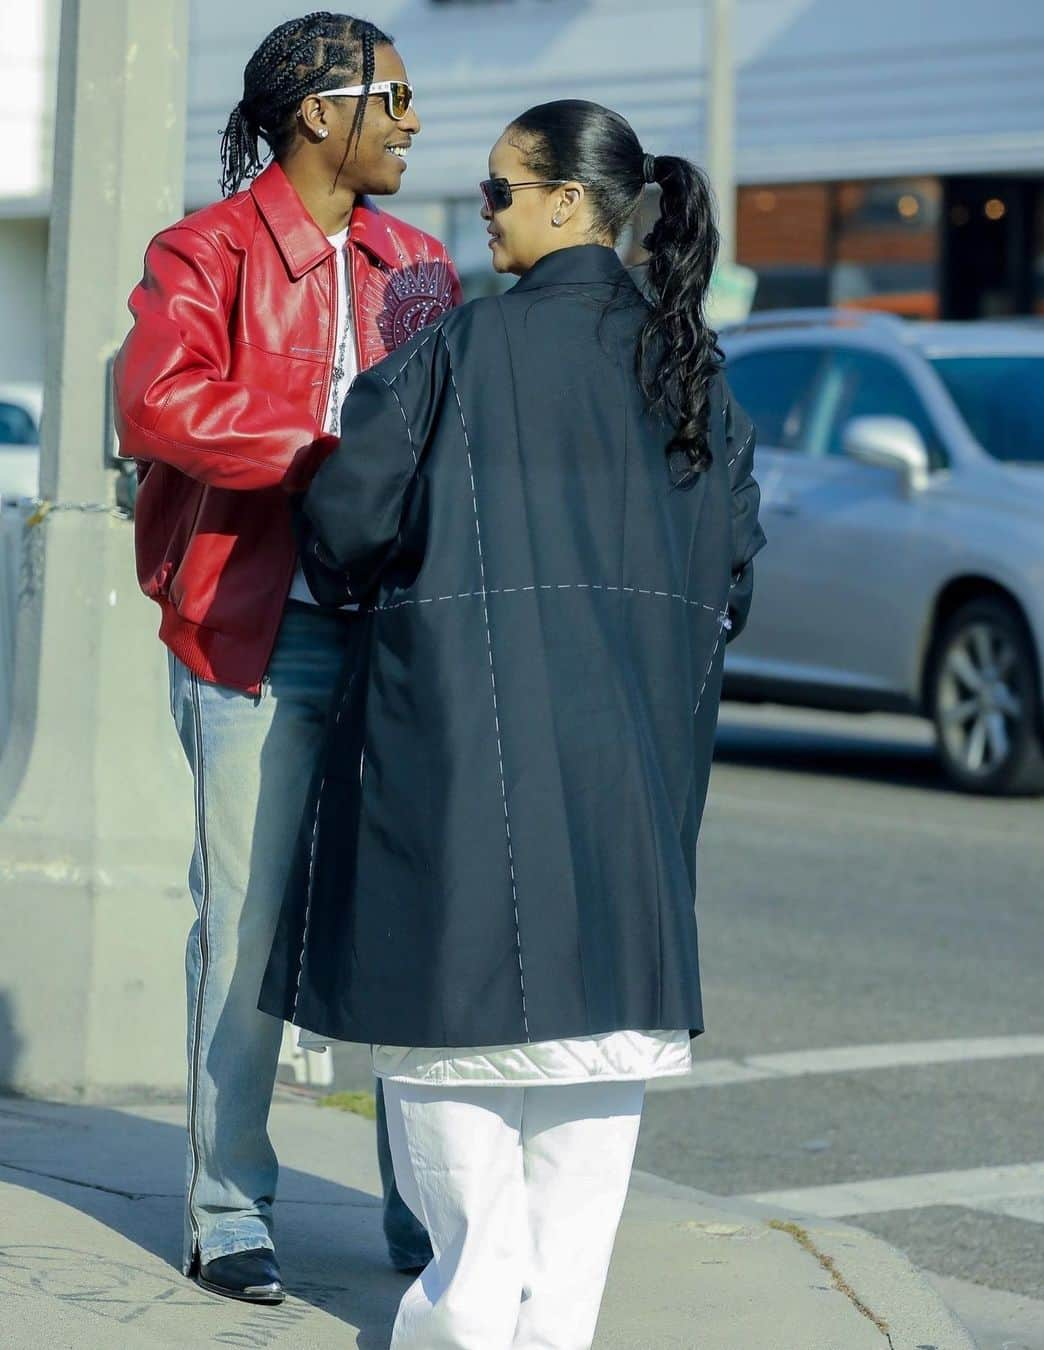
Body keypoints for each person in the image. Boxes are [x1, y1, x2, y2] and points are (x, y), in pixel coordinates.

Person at [260, 99, 765, 1346]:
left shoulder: (451, 357)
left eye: (495, 191)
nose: (477, 212)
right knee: (588, 1131)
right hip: (631, 808)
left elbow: (343, 536)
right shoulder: (694, 373)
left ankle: (467, 1321)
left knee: (457, 1109)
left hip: (457, 783)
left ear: (566, 203)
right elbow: (735, 575)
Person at [113, 12, 460, 1304]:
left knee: (410, 922)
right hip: (254, 632)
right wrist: (335, 454)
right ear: (320, 112)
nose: (415, 121)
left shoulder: (417, 260)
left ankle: (427, 1215)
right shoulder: (202, 253)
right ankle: (226, 1205)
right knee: (252, 927)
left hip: (398, 636)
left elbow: (448, 427)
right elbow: (160, 402)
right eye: (396, 98)